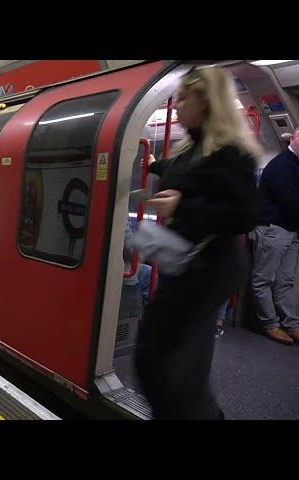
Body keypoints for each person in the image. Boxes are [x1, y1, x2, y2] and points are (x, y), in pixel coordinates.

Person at [134, 67, 260, 420]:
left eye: (185, 98)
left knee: (159, 355)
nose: (177, 106)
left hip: (211, 265)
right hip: (192, 264)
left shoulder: (230, 153)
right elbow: (177, 172)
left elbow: (245, 214)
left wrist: (182, 205)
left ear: (206, 102)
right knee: (181, 357)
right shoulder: (194, 146)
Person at [251, 127, 299, 344]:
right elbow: (291, 202)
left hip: (291, 230)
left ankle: (291, 324)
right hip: (274, 229)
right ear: (293, 137)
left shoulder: (294, 165)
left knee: (285, 281)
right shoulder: (281, 165)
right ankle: (270, 324)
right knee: (264, 280)